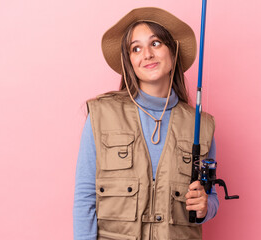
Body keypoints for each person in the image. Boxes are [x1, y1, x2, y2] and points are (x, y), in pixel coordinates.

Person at [73, 7, 219, 240]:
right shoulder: (101, 115)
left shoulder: (201, 125)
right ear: (129, 60)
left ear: (173, 51)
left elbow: (210, 196)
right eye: (136, 48)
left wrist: (205, 207)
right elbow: (85, 197)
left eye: (156, 43)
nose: (147, 54)